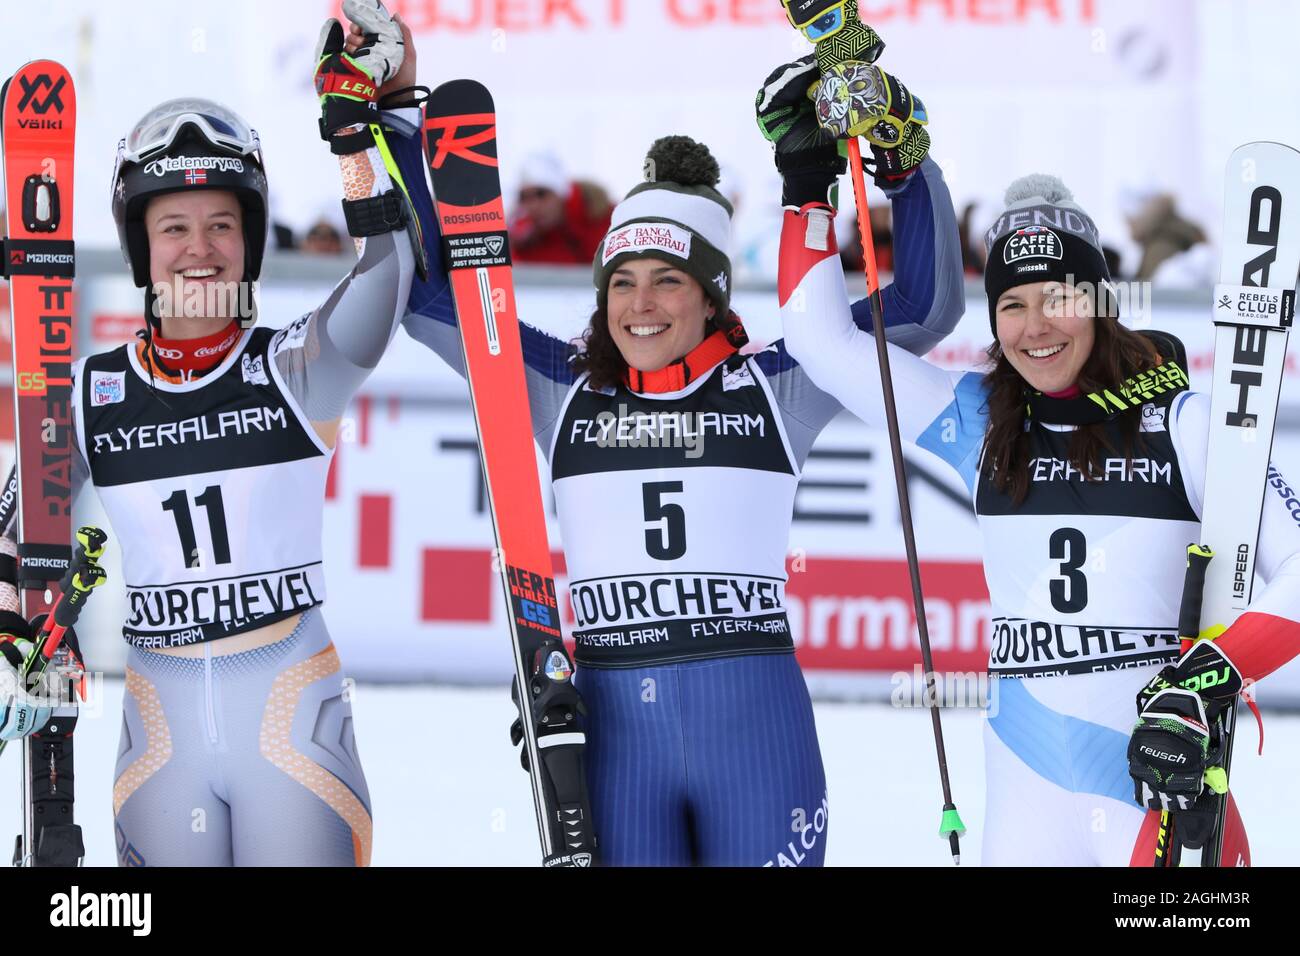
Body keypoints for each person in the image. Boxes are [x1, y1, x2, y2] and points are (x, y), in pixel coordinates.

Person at [400, 55, 963, 865]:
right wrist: (387, 130)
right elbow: (428, 302)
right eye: (622, 282)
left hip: (756, 728)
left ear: (713, 297)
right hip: (616, 731)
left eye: (669, 280)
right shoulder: (563, 388)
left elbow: (923, 306)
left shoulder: (781, 386)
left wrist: (902, 161)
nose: (641, 304)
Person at [776, 60, 1300, 866]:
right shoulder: (980, 420)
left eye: (1058, 296)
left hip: (1159, 786)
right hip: (1023, 795)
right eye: (1011, 304)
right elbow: (821, 342)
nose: (1033, 327)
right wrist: (806, 182)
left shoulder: (1187, 423)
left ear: (1098, 302)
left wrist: (1211, 676)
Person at [17, 0, 424, 866]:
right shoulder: (86, 393)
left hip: (290, 718)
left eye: (221, 224)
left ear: (249, 240)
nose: (198, 249)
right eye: (173, 226)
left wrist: (358, 139)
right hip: (158, 731)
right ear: (140, 245)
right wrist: (27, 638)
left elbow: (389, 278)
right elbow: (21, 541)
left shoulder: (295, 367)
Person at [508, 151, 613, 265]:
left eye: (541, 194)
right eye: (524, 197)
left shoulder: (608, 221)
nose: (533, 205)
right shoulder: (523, 240)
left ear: (561, 194)